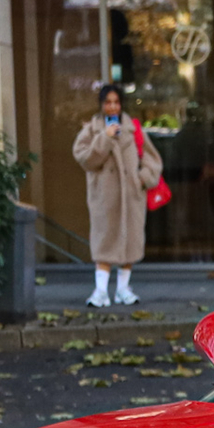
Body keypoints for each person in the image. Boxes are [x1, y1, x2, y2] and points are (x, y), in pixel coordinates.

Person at [71, 84, 162, 308]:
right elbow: (84, 158)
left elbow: (153, 159)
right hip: (105, 197)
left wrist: (143, 178)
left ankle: (123, 289)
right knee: (104, 241)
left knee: (129, 243)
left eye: (116, 102)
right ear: (102, 105)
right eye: (108, 102)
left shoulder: (133, 128)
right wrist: (105, 137)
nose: (112, 107)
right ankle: (101, 291)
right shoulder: (92, 129)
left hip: (131, 196)